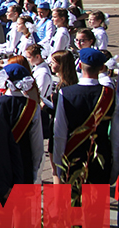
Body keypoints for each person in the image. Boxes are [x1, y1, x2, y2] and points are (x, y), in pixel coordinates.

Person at [51, 48, 119, 184]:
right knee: (96, 204)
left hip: (73, 157)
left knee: (73, 203)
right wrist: (115, 167)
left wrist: (58, 165)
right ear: (101, 68)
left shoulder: (66, 93)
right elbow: (116, 136)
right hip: (100, 158)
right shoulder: (110, 95)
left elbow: (59, 134)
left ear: (80, 66)